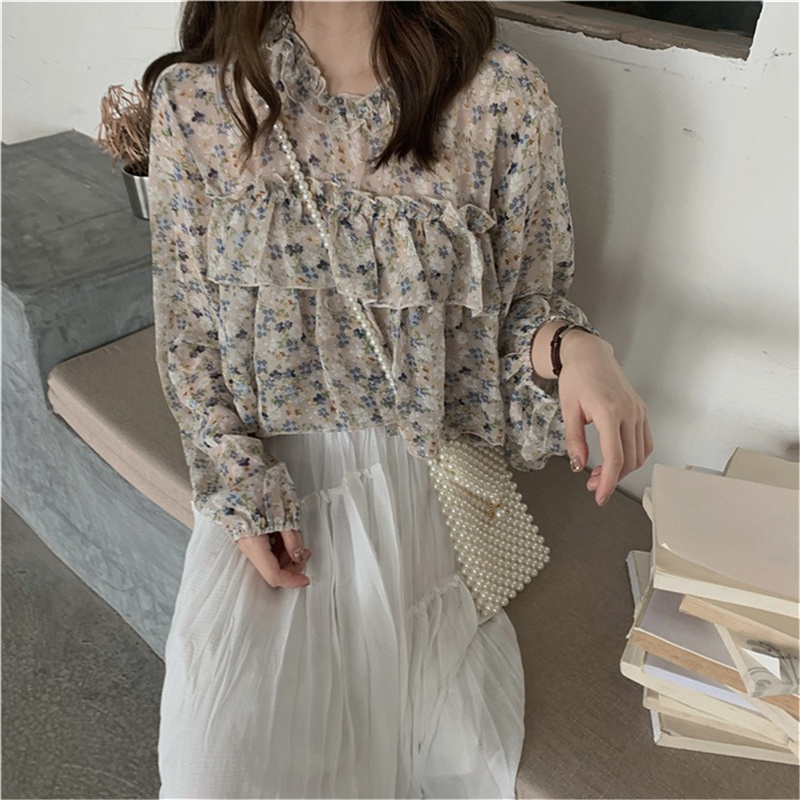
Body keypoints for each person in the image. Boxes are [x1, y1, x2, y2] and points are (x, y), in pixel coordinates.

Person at [144, 1, 653, 797]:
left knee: (436, 757)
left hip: (422, 484)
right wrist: (240, 488)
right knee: (218, 766)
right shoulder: (200, 102)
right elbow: (189, 334)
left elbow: (519, 311)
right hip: (273, 491)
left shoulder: (498, 99)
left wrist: (577, 347)